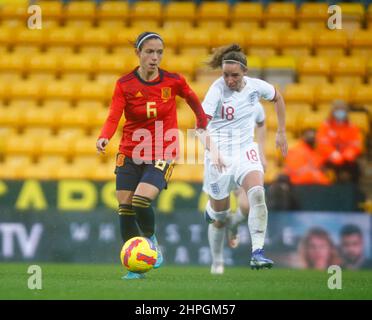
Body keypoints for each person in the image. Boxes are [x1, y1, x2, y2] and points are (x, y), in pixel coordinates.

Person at [96, 31, 210, 280]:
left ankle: (151, 241)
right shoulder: (124, 84)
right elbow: (114, 115)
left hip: (162, 150)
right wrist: (105, 135)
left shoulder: (173, 81)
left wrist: (201, 120)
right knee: (125, 207)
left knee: (140, 200)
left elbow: (191, 96)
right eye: (149, 51)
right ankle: (134, 268)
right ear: (138, 53)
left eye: (159, 52)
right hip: (130, 151)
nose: (155, 57)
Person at [201, 44, 288, 274]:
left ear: (245, 72)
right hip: (218, 154)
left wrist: (281, 131)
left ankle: (257, 252)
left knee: (258, 194)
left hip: (244, 151)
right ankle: (217, 260)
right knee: (220, 216)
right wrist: (215, 152)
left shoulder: (256, 88)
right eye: (225, 75)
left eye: (234, 75)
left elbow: (278, 98)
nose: (229, 80)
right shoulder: (216, 90)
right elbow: (199, 127)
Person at [316, 100, 363, 183]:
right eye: (337, 109)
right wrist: (332, 153)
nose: (340, 112)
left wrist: (348, 153)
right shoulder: (325, 126)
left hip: (347, 159)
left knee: (356, 168)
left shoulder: (352, 127)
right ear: (333, 111)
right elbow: (321, 144)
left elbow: (356, 144)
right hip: (328, 159)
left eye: (343, 109)